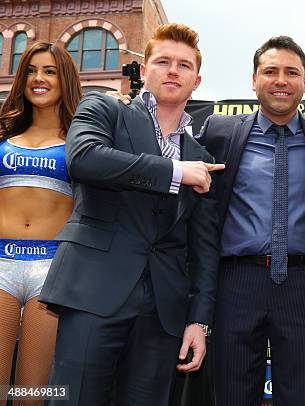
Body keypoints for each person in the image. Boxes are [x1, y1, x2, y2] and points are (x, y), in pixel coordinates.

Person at [39, 23, 223, 406]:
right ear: (145, 69)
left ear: (197, 80)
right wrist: (175, 171)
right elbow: (84, 159)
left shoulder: (202, 159)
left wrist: (198, 321)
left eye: (184, 65)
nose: (173, 71)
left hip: (163, 312)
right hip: (94, 292)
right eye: (163, 61)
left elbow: (204, 249)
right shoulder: (104, 108)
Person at [198, 36, 305, 406]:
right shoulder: (221, 132)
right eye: (270, 71)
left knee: (300, 397)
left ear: (304, 82)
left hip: (304, 285)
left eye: (291, 72)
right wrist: (131, 108)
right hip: (235, 283)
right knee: (231, 396)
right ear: (253, 80)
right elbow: (166, 146)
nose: (281, 80)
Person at [0, 42, 81, 405]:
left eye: (49, 71)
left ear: (64, 78)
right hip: (1, 264)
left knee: (31, 394)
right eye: (31, 70)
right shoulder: (3, 136)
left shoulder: (81, 142)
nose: (39, 78)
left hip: (50, 271)